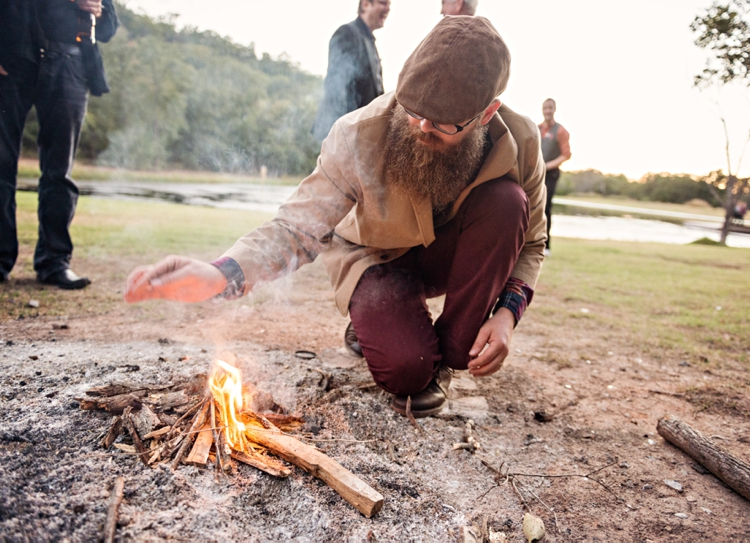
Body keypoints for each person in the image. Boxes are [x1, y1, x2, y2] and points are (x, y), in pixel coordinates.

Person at [125, 17, 547, 418]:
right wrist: (221, 273)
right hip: (375, 260)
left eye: (441, 123)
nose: (420, 126)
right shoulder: (357, 134)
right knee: (407, 370)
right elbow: (296, 227)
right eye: (412, 108)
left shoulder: (523, 142)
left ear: (487, 113)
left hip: (447, 257)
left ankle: (452, 355)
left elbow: (531, 240)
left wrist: (507, 313)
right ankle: (378, 325)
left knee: (508, 202)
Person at [0, 0, 118, 288]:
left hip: (71, 64)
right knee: (1, 166)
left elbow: (109, 27)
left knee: (59, 172)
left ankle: (54, 262)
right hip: (12, 61)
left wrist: (98, 10)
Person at [312, 0, 390, 142]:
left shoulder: (369, 40)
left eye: (389, 4)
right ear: (366, 4)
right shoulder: (347, 33)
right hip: (345, 133)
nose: (388, 8)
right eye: (383, 3)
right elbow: (336, 87)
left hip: (360, 133)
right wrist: (345, 135)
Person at [538, 98, 571, 255]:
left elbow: (566, 155)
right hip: (536, 172)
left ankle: (547, 245)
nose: (548, 111)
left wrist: (548, 166)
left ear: (554, 109)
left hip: (551, 174)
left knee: (546, 207)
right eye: (546, 108)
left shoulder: (560, 131)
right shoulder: (537, 129)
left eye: (550, 108)